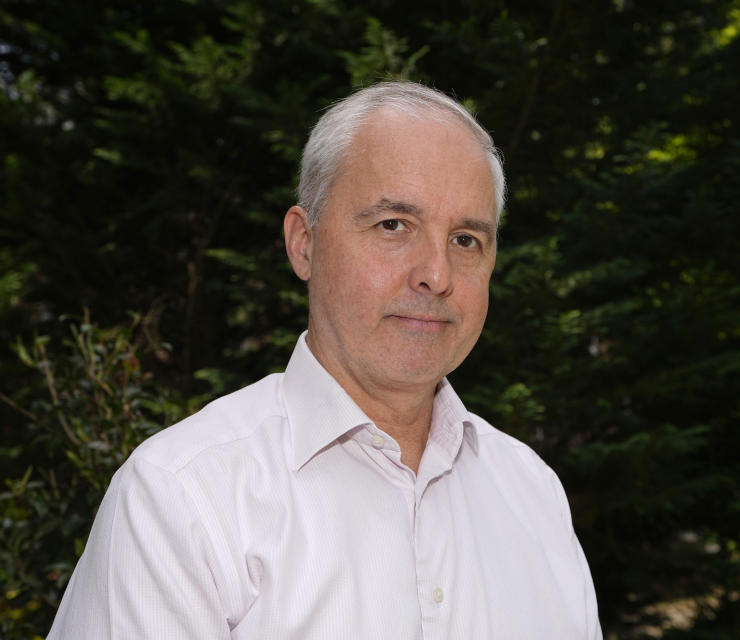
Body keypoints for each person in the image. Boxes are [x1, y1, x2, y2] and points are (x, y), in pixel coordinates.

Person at [48, 81, 602, 639]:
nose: (436, 274)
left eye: (465, 239)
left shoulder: (533, 492)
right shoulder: (181, 499)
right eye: (393, 226)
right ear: (303, 243)